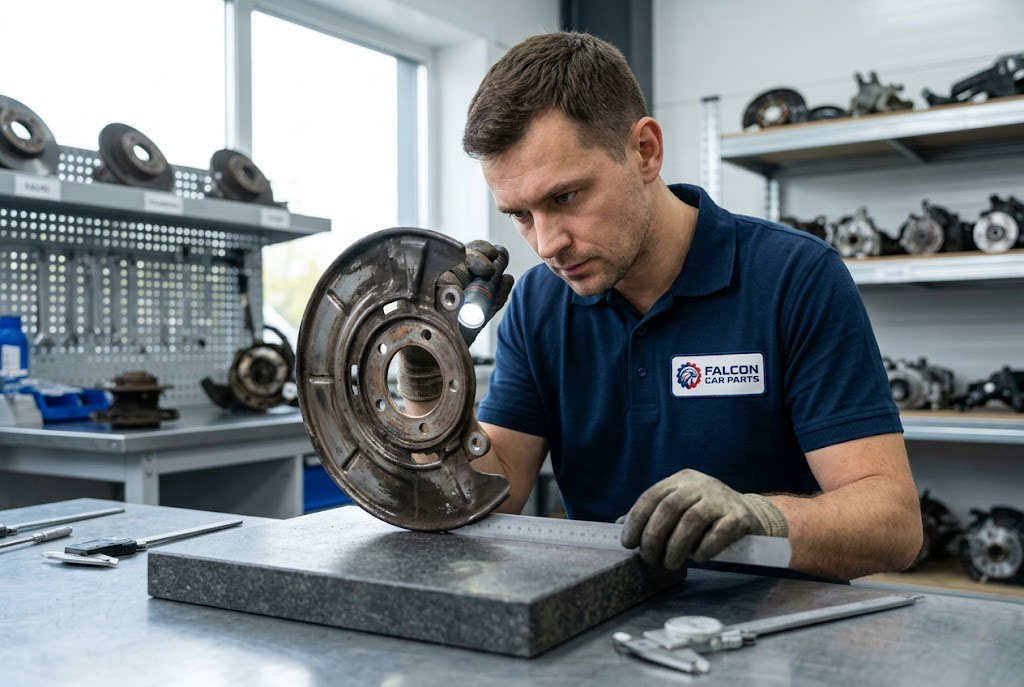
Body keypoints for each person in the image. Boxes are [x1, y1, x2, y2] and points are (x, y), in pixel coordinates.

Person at [398, 32, 922, 581]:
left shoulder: (795, 277)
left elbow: (893, 525)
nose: (548, 244)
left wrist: (762, 517)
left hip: (773, 632)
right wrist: (429, 392)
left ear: (645, 150)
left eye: (565, 197)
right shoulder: (538, 303)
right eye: (521, 215)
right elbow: (493, 492)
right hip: (598, 627)